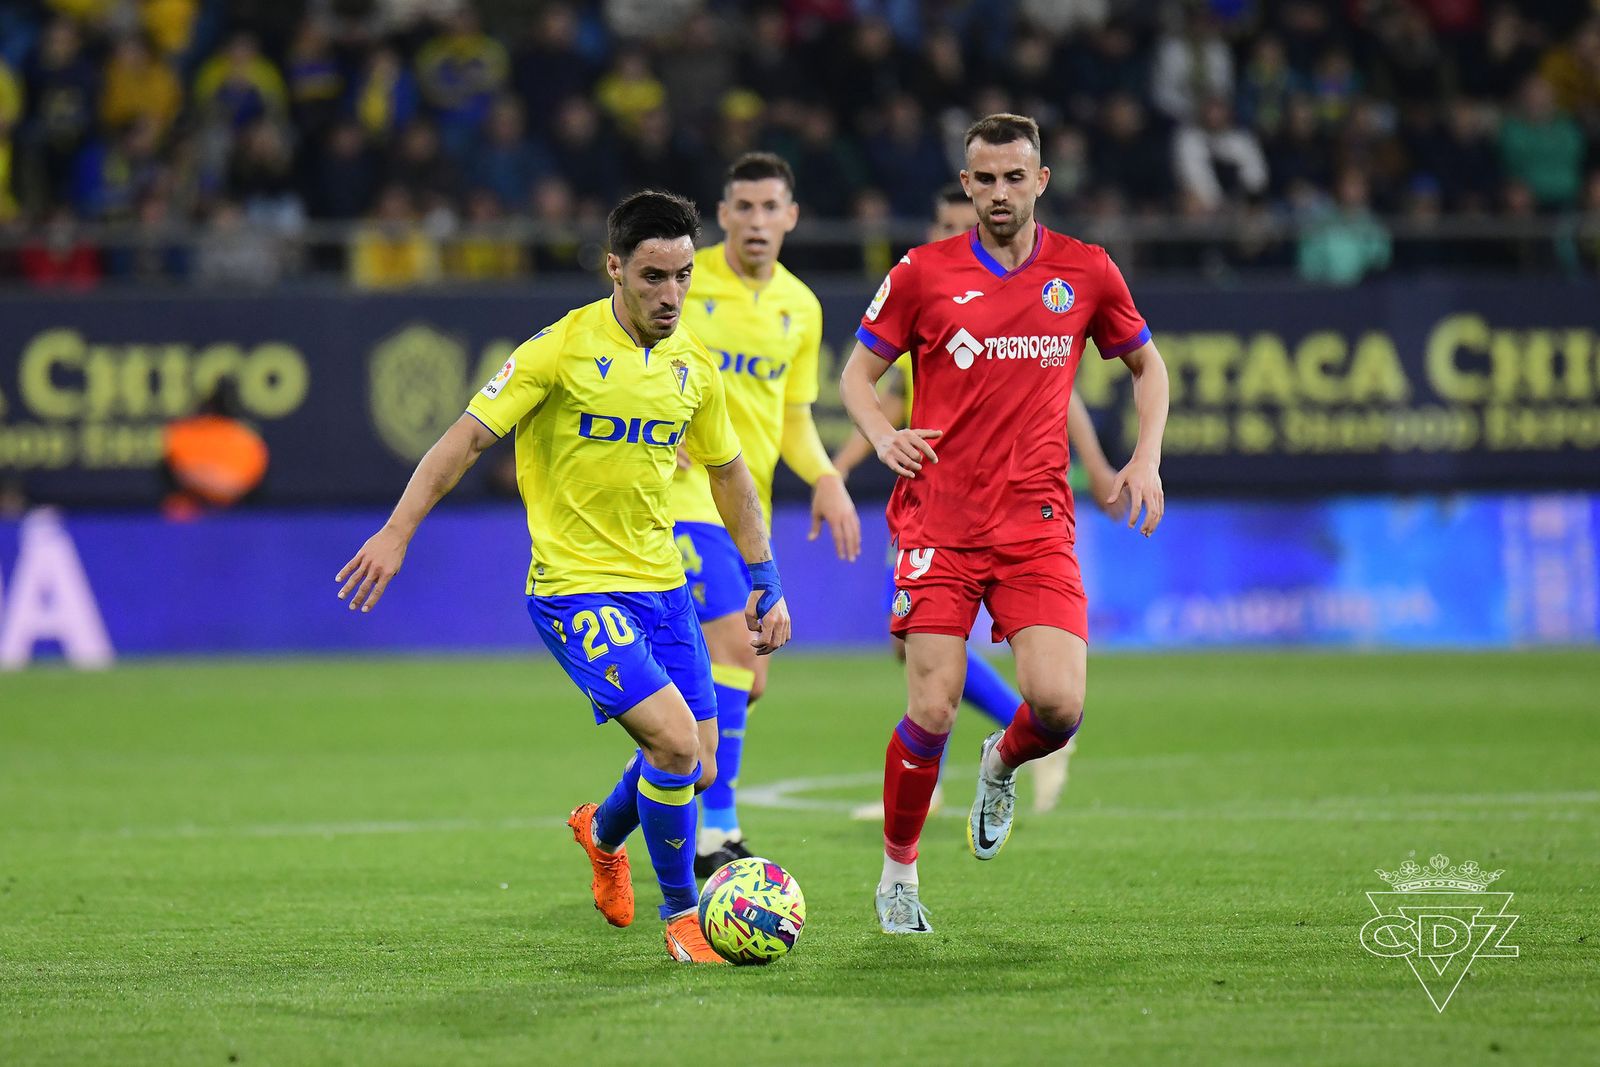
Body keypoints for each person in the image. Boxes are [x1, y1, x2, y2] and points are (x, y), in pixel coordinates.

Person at [336, 191, 793, 963]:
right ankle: (683, 916)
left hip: (663, 586)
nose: (671, 294)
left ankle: (601, 831)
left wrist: (765, 574)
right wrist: (396, 530)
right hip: (575, 586)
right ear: (614, 267)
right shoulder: (557, 350)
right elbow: (462, 442)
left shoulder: (693, 368)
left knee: (700, 761)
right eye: (652, 276)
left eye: (683, 275)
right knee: (678, 747)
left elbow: (730, 476)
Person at [840, 114, 1169, 935]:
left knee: (1058, 705)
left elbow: (1147, 363)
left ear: (1041, 181)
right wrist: (884, 437)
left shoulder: (1085, 270)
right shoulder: (922, 272)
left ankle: (1003, 760)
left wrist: (1146, 458)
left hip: (1036, 523)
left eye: (1012, 178)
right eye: (981, 180)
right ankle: (900, 874)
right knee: (933, 706)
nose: (996, 194)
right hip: (939, 523)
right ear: (966, 183)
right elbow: (855, 373)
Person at [833, 183, 1120, 821]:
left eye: (961, 223)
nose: (952, 231)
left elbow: (1061, 392)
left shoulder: (1020, 293)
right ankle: (939, 775)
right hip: (930, 496)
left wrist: (1097, 464)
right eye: (945, 221)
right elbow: (891, 399)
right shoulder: (927, 286)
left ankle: (1023, 739)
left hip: (1001, 506)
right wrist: (844, 465)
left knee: (923, 652)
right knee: (913, 651)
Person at [674, 152, 860, 877]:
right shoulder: (685, 284)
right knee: (738, 654)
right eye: (742, 207)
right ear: (722, 215)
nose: (755, 221)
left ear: (791, 217)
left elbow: (793, 416)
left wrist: (825, 477)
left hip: (747, 511)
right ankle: (714, 833)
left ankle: (643, 806)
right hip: (681, 501)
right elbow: (636, 359)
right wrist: (660, 428)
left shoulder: (801, 307)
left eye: (769, 207)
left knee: (746, 679)